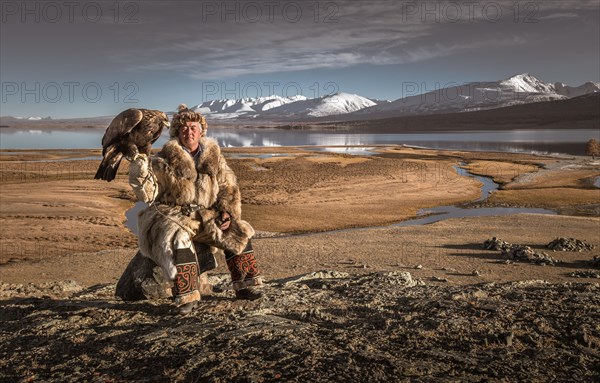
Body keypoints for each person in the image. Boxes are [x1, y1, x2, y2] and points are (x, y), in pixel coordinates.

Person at [128, 104, 263, 313]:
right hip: (171, 213)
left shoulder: (214, 157)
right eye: (183, 127)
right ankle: (187, 296)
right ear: (175, 132)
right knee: (178, 237)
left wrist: (226, 212)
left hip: (206, 214)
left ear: (201, 131)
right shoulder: (163, 159)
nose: (188, 131)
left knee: (238, 231)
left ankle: (245, 286)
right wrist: (139, 170)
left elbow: (228, 186)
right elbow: (148, 193)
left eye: (193, 127)